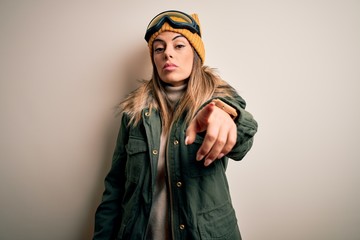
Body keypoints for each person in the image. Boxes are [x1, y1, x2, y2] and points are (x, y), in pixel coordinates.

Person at [93, 10, 258, 240]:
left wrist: (227, 116)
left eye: (179, 45)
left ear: (195, 53)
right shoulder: (134, 113)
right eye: (159, 48)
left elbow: (242, 141)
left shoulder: (218, 100)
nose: (167, 53)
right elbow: (115, 187)